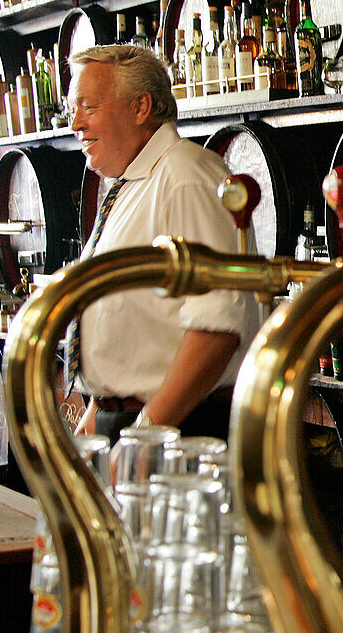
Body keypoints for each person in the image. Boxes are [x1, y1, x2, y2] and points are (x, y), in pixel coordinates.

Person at [67, 44, 259, 444]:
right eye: (74, 109)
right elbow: (134, 319)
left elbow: (218, 325)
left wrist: (146, 434)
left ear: (140, 107)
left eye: (88, 106)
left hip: (178, 429)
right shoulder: (133, 183)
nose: (76, 124)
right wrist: (99, 406)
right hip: (131, 423)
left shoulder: (185, 176)